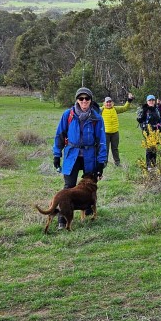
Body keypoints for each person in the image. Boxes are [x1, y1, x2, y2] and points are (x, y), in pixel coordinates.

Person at [52, 87, 108, 228]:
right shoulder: (68, 115)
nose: (84, 101)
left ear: (90, 100)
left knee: (89, 186)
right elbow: (60, 135)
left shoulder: (97, 118)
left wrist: (101, 163)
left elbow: (101, 141)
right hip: (72, 154)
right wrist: (57, 155)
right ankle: (62, 220)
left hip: (90, 155)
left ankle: (88, 212)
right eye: (81, 98)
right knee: (69, 186)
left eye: (87, 98)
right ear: (77, 100)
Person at [101, 92, 135, 167]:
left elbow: (125, 108)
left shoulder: (115, 109)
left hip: (115, 133)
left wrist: (129, 100)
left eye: (110, 102)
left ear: (112, 103)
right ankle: (104, 163)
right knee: (105, 149)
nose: (109, 104)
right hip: (105, 133)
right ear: (104, 103)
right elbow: (93, 112)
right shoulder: (101, 110)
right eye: (107, 102)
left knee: (115, 149)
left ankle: (117, 163)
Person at [136, 94, 161, 168]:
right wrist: (143, 113)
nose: (151, 102)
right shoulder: (144, 109)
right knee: (149, 149)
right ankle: (149, 166)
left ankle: (154, 164)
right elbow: (140, 120)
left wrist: (160, 125)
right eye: (150, 100)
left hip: (156, 131)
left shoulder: (156, 109)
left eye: (152, 100)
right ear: (147, 101)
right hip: (147, 132)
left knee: (154, 148)